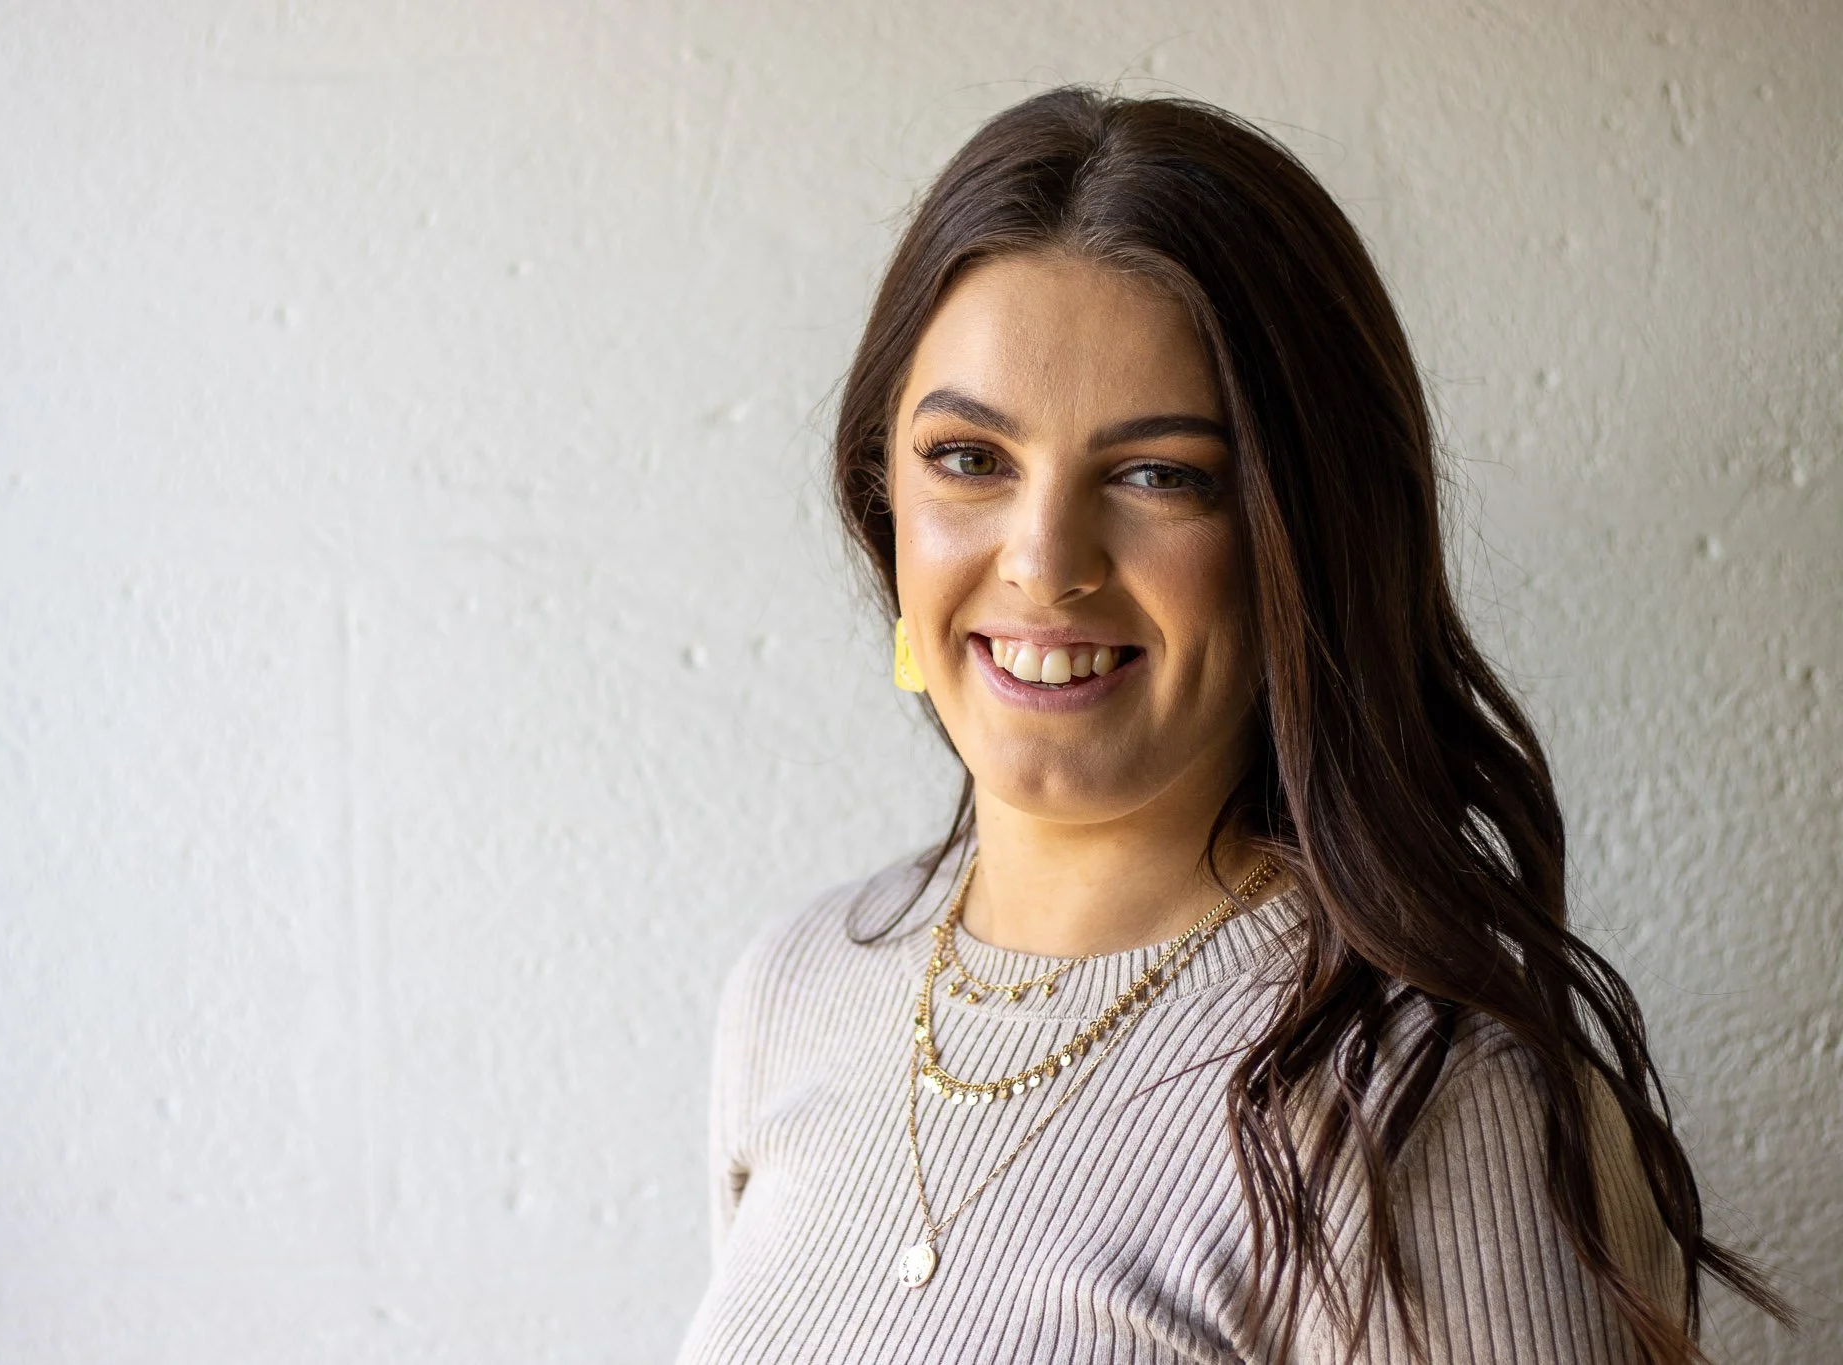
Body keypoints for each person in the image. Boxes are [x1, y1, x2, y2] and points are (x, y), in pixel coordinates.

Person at [675, 88, 1788, 1364]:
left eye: (1159, 475)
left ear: (1301, 541)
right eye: (969, 458)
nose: (1042, 563)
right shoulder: (796, 986)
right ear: (882, 500)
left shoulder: (1424, 1101)